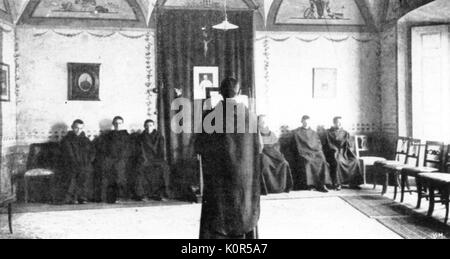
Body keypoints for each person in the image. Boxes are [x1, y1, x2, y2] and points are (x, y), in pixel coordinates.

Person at [195, 77, 262, 239]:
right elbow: (259, 146)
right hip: (243, 177)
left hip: (219, 178)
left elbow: (199, 147)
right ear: (238, 93)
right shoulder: (250, 116)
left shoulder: (209, 116)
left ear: (220, 93)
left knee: (218, 212)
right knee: (243, 207)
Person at [291, 115, 331, 192]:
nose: (306, 124)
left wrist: (318, 152)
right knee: (308, 162)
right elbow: (296, 146)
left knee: (322, 161)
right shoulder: (297, 132)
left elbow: (318, 145)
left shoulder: (314, 133)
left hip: (314, 153)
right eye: (304, 122)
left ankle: (322, 184)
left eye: (307, 122)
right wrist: (304, 152)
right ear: (301, 122)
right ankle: (311, 185)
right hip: (304, 154)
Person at [96, 116, 132, 204]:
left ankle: (121, 196)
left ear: (122, 124)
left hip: (122, 160)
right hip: (109, 159)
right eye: (115, 123)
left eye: (119, 123)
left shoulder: (127, 136)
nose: (117, 125)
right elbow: (103, 148)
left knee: (120, 176)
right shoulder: (107, 135)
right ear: (113, 124)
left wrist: (121, 158)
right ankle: (106, 197)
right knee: (107, 175)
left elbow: (129, 149)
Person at [134, 119, 170, 201]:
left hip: (156, 158)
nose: (148, 127)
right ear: (144, 127)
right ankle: (142, 194)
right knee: (140, 168)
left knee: (163, 168)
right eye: (146, 126)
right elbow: (140, 150)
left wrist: (158, 160)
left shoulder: (159, 136)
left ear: (154, 126)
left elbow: (161, 150)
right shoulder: (140, 137)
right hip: (145, 158)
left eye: (150, 125)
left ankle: (161, 194)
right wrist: (144, 159)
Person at [60, 119, 95, 204]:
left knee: (87, 172)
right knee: (74, 174)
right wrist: (76, 163)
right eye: (76, 128)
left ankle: (82, 197)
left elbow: (92, 151)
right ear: (72, 127)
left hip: (84, 164)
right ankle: (71, 198)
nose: (78, 130)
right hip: (71, 164)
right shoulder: (66, 140)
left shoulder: (86, 140)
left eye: (81, 128)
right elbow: (68, 154)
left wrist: (89, 161)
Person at [323, 117, 363, 190]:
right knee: (338, 161)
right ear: (334, 123)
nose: (339, 124)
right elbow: (328, 145)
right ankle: (338, 183)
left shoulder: (345, 132)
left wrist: (348, 147)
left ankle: (353, 183)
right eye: (338, 122)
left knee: (355, 160)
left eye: (341, 122)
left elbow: (348, 144)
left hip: (344, 152)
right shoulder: (328, 133)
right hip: (333, 152)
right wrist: (335, 150)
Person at [258, 115, 293, 195]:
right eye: (261, 121)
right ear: (258, 122)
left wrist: (274, 151)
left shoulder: (272, 133)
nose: (263, 123)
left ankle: (282, 187)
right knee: (265, 163)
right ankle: (269, 188)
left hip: (273, 154)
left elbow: (276, 146)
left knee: (284, 163)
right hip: (263, 154)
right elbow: (258, 146)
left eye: (265, 121)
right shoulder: (256, 132)